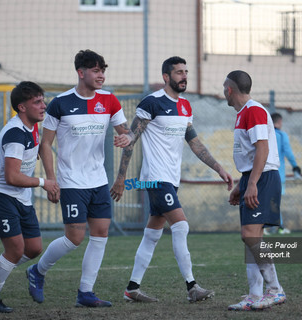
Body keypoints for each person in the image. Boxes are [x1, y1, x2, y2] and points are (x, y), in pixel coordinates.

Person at [110, 56, 233, 303]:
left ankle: (132, 288)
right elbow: (132, 137)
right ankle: (192, 287)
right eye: (178, 72)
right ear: (166, 77)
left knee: (152, 235)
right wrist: (121, 178)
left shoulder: (186, 107)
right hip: (155, 179)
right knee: (181, 225)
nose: (184, 76)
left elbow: (195, 143)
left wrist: (218, 167)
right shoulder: (151, 103)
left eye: (186, 71)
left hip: (170, 179)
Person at [26, 49, 132, 308]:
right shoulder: (60, 103)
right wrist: (51, 180)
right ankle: (37, 271)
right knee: (74, 238)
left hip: (98, 180)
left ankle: (86, 292)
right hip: (71, 181)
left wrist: (126, 139)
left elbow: (127, 135)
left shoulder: (109, 101)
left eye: (103, 71)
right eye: (96, 71)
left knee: (101, 233)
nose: (101, 76)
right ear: (80, 72)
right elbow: (45, 144)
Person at [0, 82, 59, 313]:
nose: (43, 106)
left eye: (43, 100)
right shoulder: (15, 133)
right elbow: (11, 177)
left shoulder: (32, 126)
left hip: (21, 197)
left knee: (34, 248)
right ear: (21, 107)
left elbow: (41, 148)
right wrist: (46, 183)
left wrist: (51, 177)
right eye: (37, 102)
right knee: (15, 250)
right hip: (0, 196)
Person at [224, 70, 286, 311]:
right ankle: (255, 294)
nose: (223, 92)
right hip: (254, 177)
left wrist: (252, 184)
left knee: (249, 234)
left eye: (224, 88)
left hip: (264, 178)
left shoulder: (254, 110)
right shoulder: (243, 114)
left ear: (229, 89)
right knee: (252, 237)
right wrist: (243, 184)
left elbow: (262, 149)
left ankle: (275, 290)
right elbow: (251, 156)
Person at [270, 112, 301, 234]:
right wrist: (295, 167)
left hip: (264, 173)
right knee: (275, 201)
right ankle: (279, 226)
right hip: (278, 174)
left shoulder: (265, 135)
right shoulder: (281, 135)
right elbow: (288, 152)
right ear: (278, 122)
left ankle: (271, 226)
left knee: (268, 200)